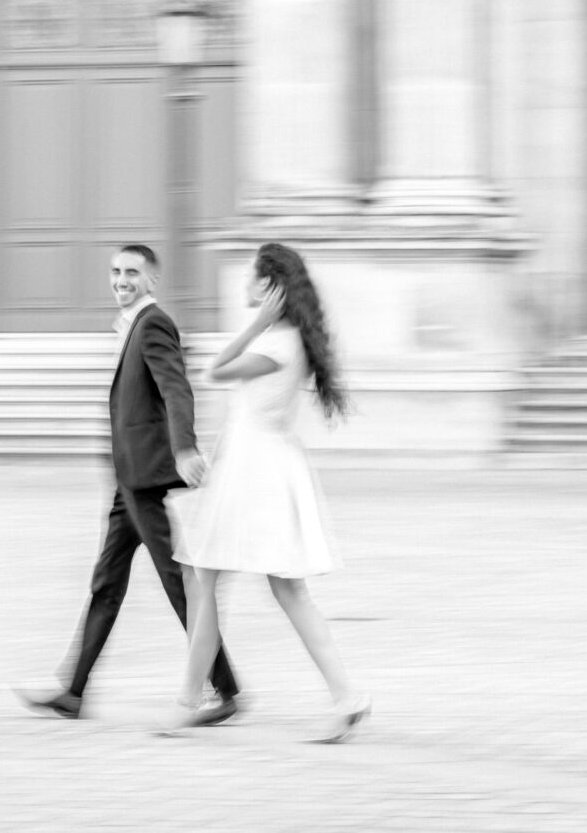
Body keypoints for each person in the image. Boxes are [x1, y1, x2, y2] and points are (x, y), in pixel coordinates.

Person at [20, 244, 240, 723]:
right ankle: (74, 691)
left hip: (142, 478)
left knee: (177, 583)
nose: (121, 280)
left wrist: (185, 447)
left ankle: (226, 688)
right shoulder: (131, 327)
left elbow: (175, 387)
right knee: (107, 583)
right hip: (128, 480)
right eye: (116, 272)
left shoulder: (153, 323)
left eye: (132, 273)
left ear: (152, 280)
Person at [163, 242, 370, 742]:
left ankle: (193, 699)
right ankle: (346, 697)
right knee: (253, 584)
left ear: (270, 285)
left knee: (221, 580)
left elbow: (216, 370)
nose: (245, 284)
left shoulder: (275, 343)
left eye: (253, 277)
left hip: (256, 473)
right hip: (259, 465)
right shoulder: (290, 340)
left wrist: (255, 325)